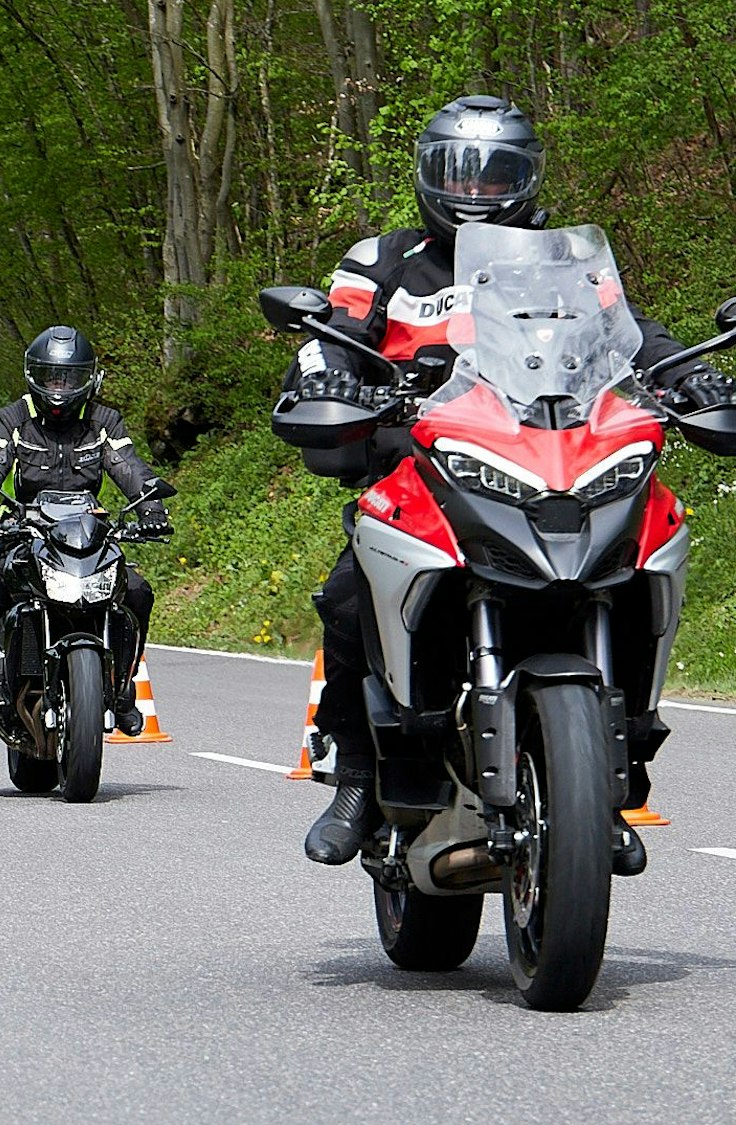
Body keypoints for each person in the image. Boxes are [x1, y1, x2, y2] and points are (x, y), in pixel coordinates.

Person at [288, 94, 736, 872]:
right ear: (427, 175)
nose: (475, 192)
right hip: (421, 459)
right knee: (348, 592)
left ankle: (601, 778)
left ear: (525, 180)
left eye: (496, 177)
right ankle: (359, 774)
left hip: (549, 450)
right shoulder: (380, 259)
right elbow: (331, 337)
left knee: (632, 556)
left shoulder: (563, 257)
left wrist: (693, 376)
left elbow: (629, 330)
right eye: (460, 174)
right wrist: (335, 382)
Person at [0, 327, 171, 728]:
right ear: (33, 375)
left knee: (138, 593)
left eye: (68, 378)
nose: (59, 388)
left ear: (87, 378)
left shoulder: (103, 420)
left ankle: (123, 687)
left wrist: (151, 507)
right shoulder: (12, 418)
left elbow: (128, 466)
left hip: (89, 534)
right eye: (52, 377)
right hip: (29, 530)